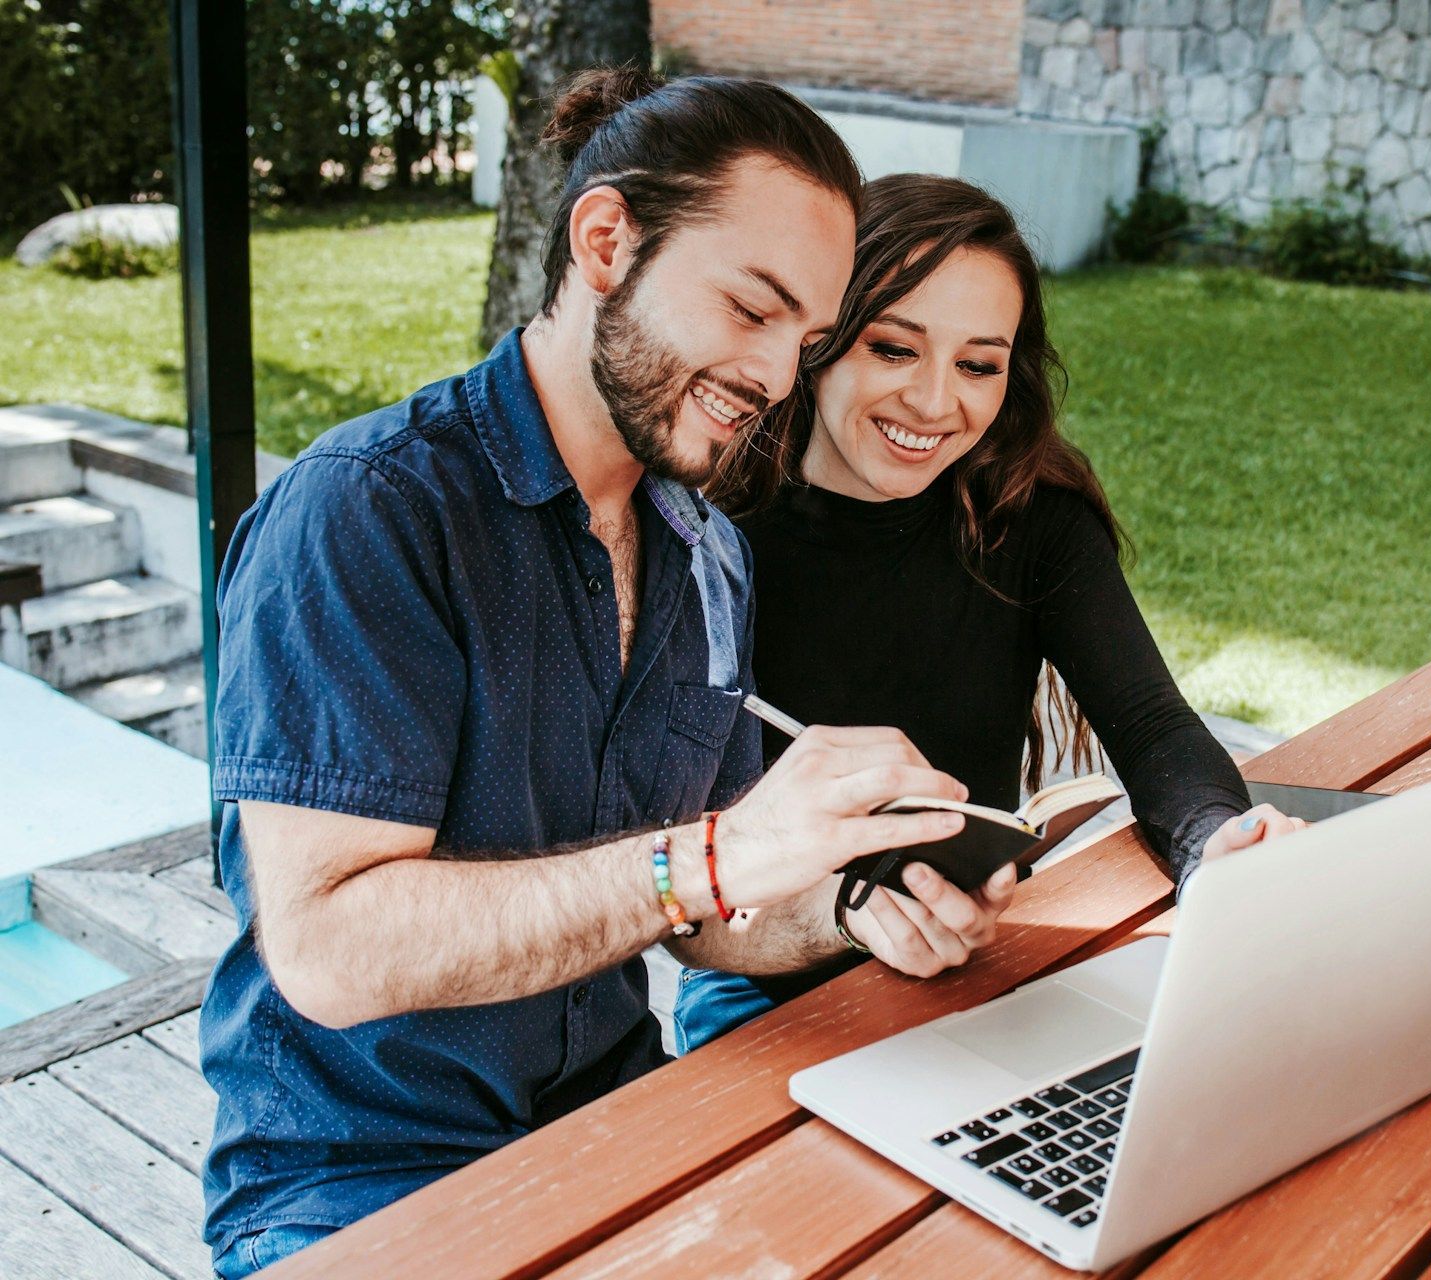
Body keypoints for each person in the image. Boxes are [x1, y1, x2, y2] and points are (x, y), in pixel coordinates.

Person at [199, 73, 1017, 1278]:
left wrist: (845, 903)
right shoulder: (367, 511)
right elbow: (329, 949)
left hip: (619, 1124)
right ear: (605, 240)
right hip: (356, 1188)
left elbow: (698, 927)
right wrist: (719, 855)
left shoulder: (709, 550)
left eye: (805, 341)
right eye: (751, 307)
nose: (778, 380)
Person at [675, 175, 1293, 1051]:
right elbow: (674, 878)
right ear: (819, 342)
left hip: (982, 962)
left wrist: (1213, 845)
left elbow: (1151, 726)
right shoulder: (709, 532)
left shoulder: (1027, 514)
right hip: (762, 990)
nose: (935, 403)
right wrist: (843, 915)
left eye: (978, 364)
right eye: (893, 349)